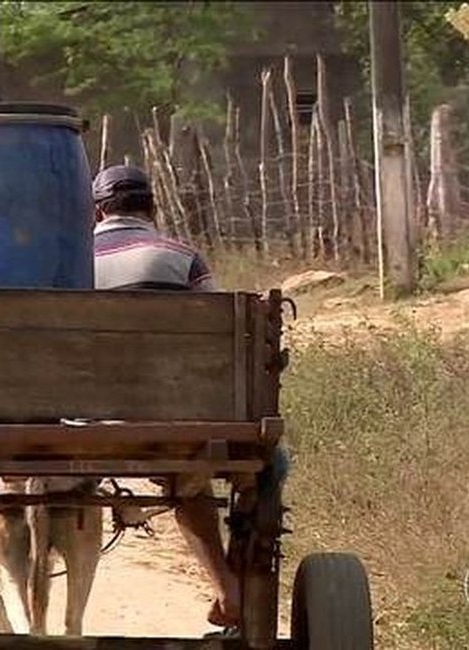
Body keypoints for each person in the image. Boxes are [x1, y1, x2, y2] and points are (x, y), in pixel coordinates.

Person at [92, 164, 289, 634]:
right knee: (268, 465)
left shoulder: (68, 259)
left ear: (97, 211)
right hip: (172, 420)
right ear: (152, 208)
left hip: (83, 420)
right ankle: (232, 585)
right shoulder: (184, 257)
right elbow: (218, 341)